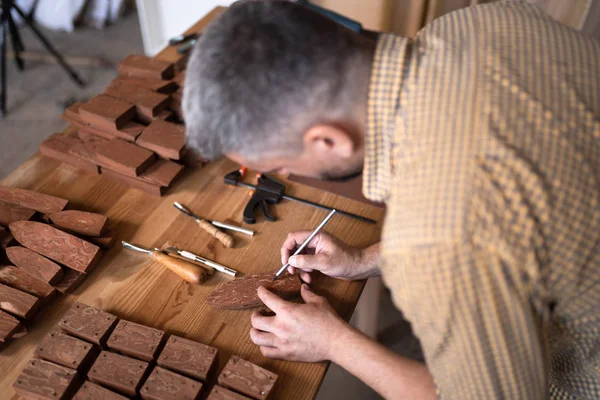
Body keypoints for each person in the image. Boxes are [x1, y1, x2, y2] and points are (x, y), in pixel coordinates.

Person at [182, 1, 600, 398]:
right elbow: (510, 219)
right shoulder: (478, 24)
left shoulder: (441, 234)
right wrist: (366, 260)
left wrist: (334, 340)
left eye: (280, 164)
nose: (285, 176)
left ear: (329, 140)